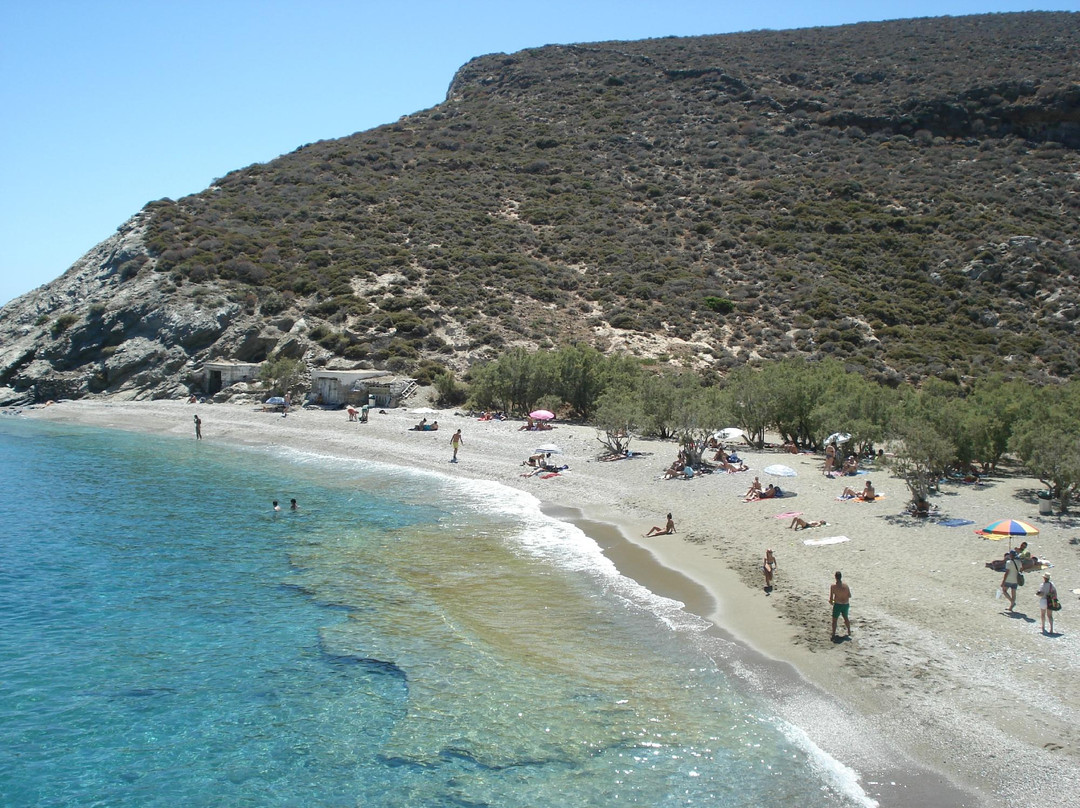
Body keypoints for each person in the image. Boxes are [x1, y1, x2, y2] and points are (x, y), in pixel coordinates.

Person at [830, 571, 851, 639]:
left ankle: (833, 633)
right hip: (846, 604)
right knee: (846, 617)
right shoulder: (846, 586)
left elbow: (831, 599)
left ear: (835, 577)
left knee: (834, 620)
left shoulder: (833, 587)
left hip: (838, 604)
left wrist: (832, 601)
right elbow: (849, 595)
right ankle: (849, 631)